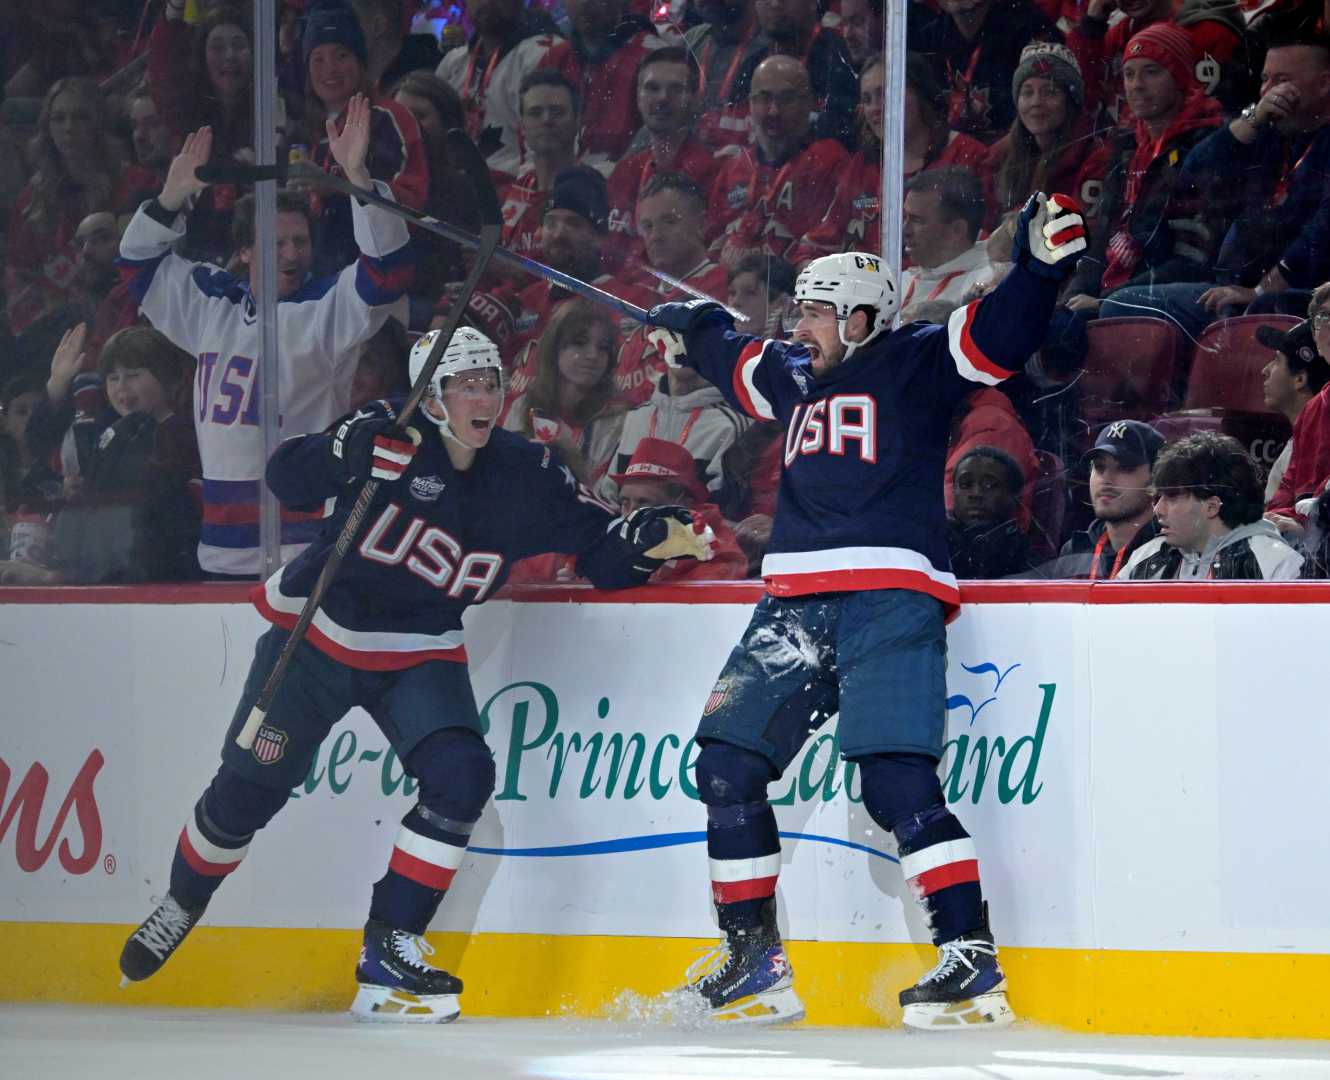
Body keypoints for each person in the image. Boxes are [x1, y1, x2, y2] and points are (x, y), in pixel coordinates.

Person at [117, 326, 712, 1022]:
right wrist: (346, 451)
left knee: (461, 779)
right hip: (320, 639)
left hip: (419, 647)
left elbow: (601, 555)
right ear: (432, 396)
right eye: (467, 384)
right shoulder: (383, 432)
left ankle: (391, 947)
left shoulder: (527, 472)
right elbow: (286, 476)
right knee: (244, 796)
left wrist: (648, 544)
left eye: (492, 381)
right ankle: (182, 901)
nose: (484, 396)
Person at [643, 190, 1088, 1027]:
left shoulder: (919, 358)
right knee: (726, 769)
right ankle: (753, 965)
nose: (798, 325)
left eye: (814, 312)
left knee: (898, 784)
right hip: (792, 604)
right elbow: (729, 353)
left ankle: (970, 959)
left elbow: (999, 334)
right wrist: (691, 323)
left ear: (860, 318)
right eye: (798, 309)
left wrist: (1039, 265)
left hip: (890, 594)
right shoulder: (790, 375)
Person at [120, 106, 414, 578]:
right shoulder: (212, 305)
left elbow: (389, 272)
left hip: (307, 549)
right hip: (220, 550)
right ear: (245, 250)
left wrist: (358, 179)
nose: (293, 253)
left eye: (300, 241)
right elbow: (138, 268)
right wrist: (171, 198)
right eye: (277, 243)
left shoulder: (326, 308)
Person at [707, 56, 849, 269]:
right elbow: (711, 241)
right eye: (764, 98)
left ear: (809, 102)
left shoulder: (829, 161)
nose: (774, 111)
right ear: (751, 103)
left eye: (786, 99)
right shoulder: (734, 167)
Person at [1122, 430, 1304, 578]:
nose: (1157, 510)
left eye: (1172, 497)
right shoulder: (1144, 558)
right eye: (1158, 498)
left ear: (1212, 507)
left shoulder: (1278, 565)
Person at [605, 48, 721, 268]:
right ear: (638, 97)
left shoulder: (710, 172)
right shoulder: (625, 171)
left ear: (696, 99)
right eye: (652, 88)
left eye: (676, 89)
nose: (663, 98)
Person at [502, 298, 626, 487]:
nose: (593, 355)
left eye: (603, 347)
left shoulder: (618, 419)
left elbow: (603, 497)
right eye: (579, 342)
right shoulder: (525, 404)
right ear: (554, 347)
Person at [434, 0, 558, 177]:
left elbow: (545, 159)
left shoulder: (544, 53)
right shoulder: (454, 61)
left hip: (511, 189)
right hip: (453, 186)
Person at [1047, 419, 1164, 578]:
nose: (1106, 479)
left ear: (1156, 479)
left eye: (1124, 468)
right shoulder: (1074, 551)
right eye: (1099, 467)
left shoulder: (1171, 550)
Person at [899, 169, 995, 322]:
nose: (905, 230)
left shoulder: (987, 286)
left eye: (917, 220)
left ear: (957, 230)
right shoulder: (899, 281)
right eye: (905, 217)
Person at [1259, 313, 1330, 514]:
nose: (1265, 370)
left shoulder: (1306, 447)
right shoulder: (1297, 443)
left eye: (1276, 360)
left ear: (1300, 379)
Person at [947, 446, 1038, 579]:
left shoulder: (1024, 555)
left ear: (1015, 498)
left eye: (990, 485)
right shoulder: (934, 547)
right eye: (965, 484)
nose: (975, 494)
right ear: (953, 493)